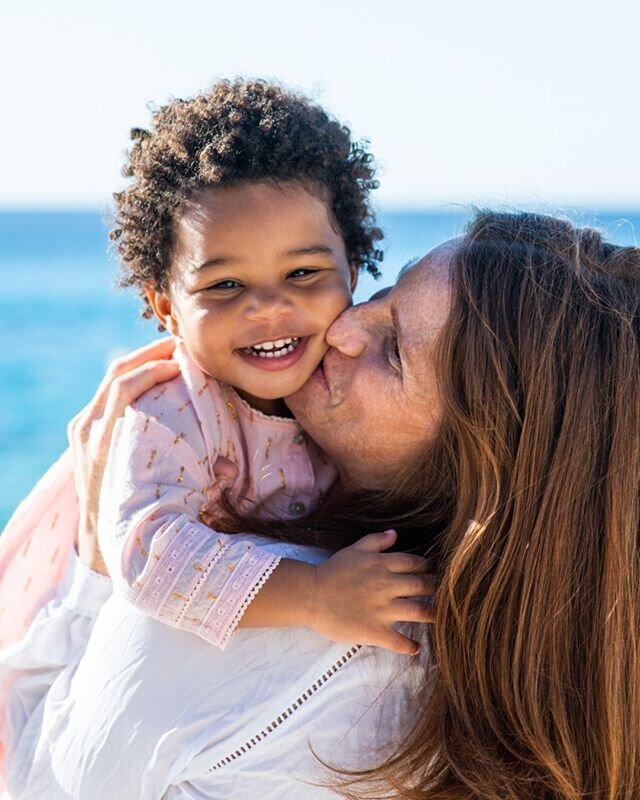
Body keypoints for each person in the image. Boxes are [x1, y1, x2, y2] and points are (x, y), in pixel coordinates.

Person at [3, 211, 640, 799]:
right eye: (385, 295)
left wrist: (95, 563)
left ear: (483, 467)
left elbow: (46, 781)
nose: (341, 328)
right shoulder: (545, 694)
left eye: (394, 354)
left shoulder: (240, 606)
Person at [0, 80, 431, 660]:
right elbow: (148, 554)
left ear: (352, 272)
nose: (270, 307)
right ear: (166, 309)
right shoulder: (170, 412)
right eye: (225, 285)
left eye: (303, 273)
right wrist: (315, 595)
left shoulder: (352, 383)